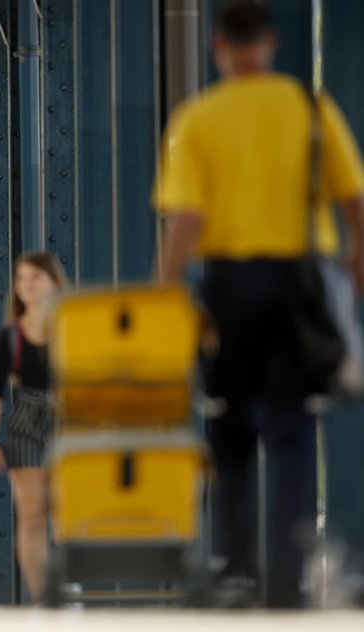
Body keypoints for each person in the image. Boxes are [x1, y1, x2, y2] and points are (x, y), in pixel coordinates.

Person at [154, 2, 364, 608]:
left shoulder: (199, 118)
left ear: (219, 46)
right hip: (299, 285)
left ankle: (237, 571)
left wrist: (167, 290)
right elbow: (352, 195)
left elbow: (186, 216)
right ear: (269, 43)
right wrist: (356, 257)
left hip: (228, 287)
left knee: (229, 427)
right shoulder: (309, 109)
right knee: (294, 429)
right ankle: (289, 578)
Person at [0, 252, 65, 602]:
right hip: (26, 423)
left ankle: (67, 583)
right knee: (32, 513)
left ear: (54, 283)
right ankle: (42, 596)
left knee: (67, 509)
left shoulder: (74, 325)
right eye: (21, 279)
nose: (27, 285)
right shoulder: (11, 335)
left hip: (68, 423)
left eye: (35, 278)